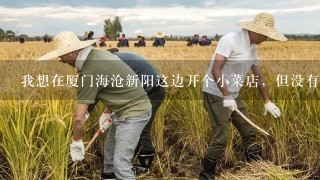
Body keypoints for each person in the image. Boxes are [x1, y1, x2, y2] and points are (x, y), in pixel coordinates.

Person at [37, 31, 152, 179]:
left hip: (134, 115)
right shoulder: (100, 56)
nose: (61, 60)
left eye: (62, 55)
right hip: (124, 111)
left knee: (121, 165)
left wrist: (76, 142)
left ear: (73, 52)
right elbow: (117, 86)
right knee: (109, 158)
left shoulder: (90, 71)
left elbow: (78, 117)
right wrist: (107, 111)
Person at [200, 12, 287, 179]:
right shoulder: (230, 40)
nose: (266, 39)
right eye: (266, 35)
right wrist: (226, 96)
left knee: (249, 132)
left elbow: (258, 75)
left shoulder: (253, 48)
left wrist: (267, 101)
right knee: (221, 138)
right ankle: (206, 175)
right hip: (215, 93)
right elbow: (215, 70)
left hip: (233, 94)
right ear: (256, 32)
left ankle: (255, 170)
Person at [88, 51, 166, 175]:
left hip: (152, 90)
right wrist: (107, 112)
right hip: (151, 87)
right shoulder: (118, 59)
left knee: (141, 126)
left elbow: (116, 90)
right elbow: (117, 91)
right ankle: (123, 162)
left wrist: (85, 113)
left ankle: (145, 164)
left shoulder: (112, 63)